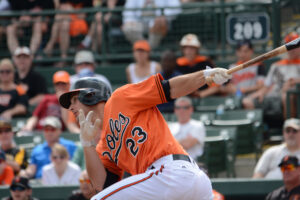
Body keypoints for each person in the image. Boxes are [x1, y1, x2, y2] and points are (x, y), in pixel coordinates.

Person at [58, 65, 231, 199]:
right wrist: (87, 144)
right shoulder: (103, 146)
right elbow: (101, 186)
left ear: (91, 95)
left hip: (171, 172)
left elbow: (169, 89)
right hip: (182, 184)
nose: (71, 107)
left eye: (74, 100)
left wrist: (205, 76)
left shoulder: (120, 98)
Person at [243, 32, 300, 119]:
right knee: (247, 101)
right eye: (289, 46)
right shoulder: (276, 65)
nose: (292, 49)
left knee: (286, 97)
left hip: (292, 96)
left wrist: (294, 82)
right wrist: (261, 93)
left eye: (295, 46)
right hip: (274, 95)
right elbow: (266, 85)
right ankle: (258, 130)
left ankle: (288, 129)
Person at [43, 0, 92, 66]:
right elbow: (56, 11)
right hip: (63, 28)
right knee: (62, 21)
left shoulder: (84, 2)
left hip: (79, 28)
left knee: (63, 20)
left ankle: (50, 44)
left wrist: (72, 10)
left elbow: (83, 16)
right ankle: (64, 56)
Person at [176, 33, 219, 97]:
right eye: (186, 48)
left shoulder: (205, 62)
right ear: (183, 49)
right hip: (183, 96)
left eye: (192, 48)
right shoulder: (177, 64)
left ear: (197, 49)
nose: (189, 51)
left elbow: (215, 85)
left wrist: (200, 95)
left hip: (204, 96)